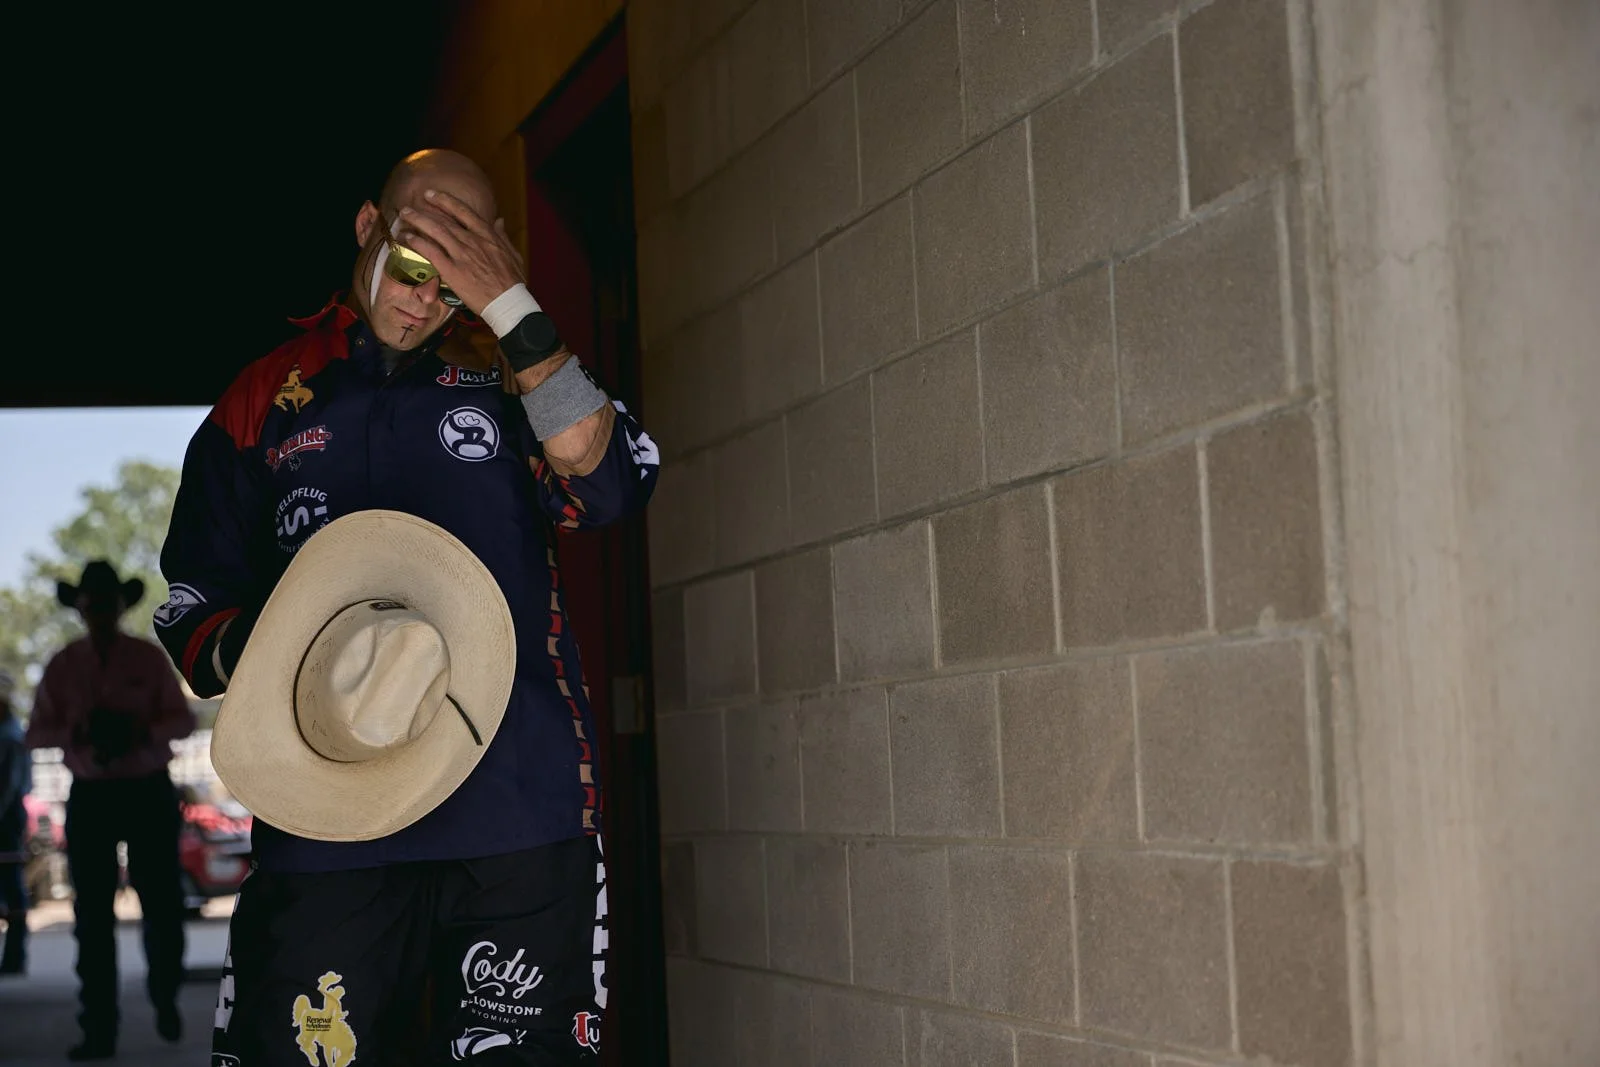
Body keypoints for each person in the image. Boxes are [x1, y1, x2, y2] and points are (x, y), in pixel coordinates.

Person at [156, 147, 658, 1064]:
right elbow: (195, 603)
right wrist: (280, 658)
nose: (429, 300)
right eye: (419, 264)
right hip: (326, 817)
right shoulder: (264, 395)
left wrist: (510, 306)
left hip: (517, 806)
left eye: (460, 280)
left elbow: (613, 483)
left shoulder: (512, 369)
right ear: (366, 228)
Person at [25, 560, 197, 1059]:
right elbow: (37, 732)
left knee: (162, 904)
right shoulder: (63, 665)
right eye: (92, 602)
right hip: (94, 795)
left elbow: (183, 721)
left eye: (105, 601)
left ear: (120, 605)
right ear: (80, 607)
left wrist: (138, 729)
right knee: (92, 917)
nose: (98, 610)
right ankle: (98, 1027)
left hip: (146, 790)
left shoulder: (146, 659)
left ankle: (165, 995)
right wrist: (80, 731)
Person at [0, 667, 31, 976]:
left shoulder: (8, 737)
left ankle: (15, 955)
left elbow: (7, 788)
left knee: (11, 888)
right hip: (8, 819)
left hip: (5, 822)